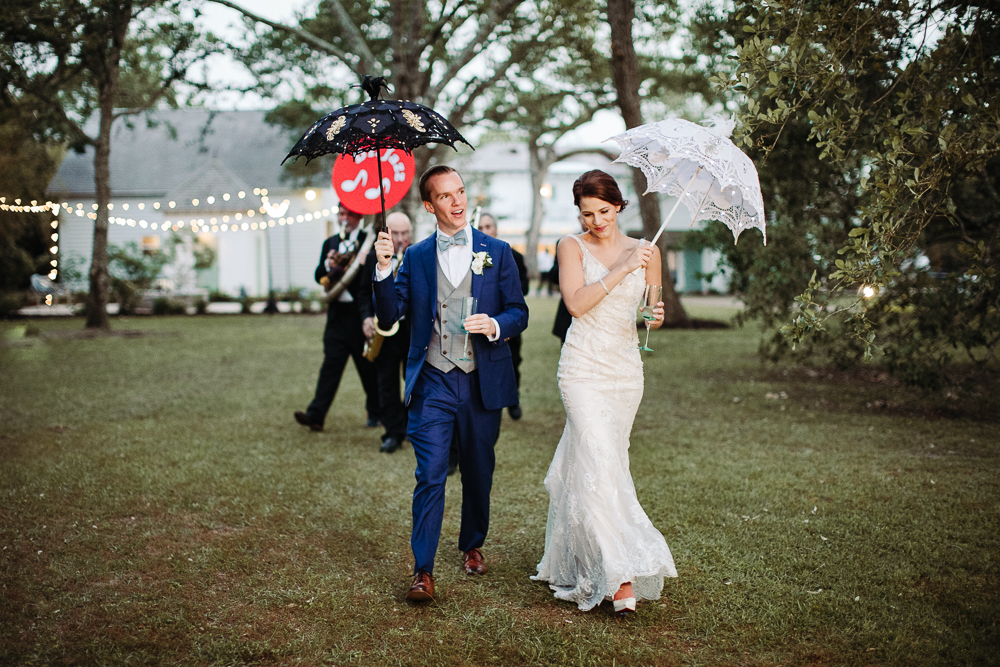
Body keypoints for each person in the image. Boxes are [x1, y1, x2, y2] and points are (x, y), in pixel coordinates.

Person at [372, 165, 529, 602]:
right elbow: (389, 318)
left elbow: (520, 311)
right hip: (433, 382)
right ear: (429, 206)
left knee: (479, 471)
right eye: (445, 196)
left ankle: (473, 543)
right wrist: (384, 269)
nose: (457, 202)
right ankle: (422, 569)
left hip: (482, 381)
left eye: (460, 192)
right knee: (430, 475)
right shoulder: (416, 257)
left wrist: (496, 324)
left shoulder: (498, 251)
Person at [531, 169, 677, 615]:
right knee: (597, 457)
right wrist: (618, 269)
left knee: (607, 463)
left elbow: (650, 311)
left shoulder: (646, 251)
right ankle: (619, 575)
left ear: (619, 207)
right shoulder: (570, 247)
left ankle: (577, 555)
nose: (596, 221)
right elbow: (575, 303)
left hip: (625, 370)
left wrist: (655, 316)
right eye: (587, 213)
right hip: (581, 368)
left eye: (604, 211)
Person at [294, 203, 381, 432]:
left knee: (368, 369)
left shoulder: (368, 240)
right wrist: (328, 264)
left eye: (348, 214)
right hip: (337, 315)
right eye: (341, 214)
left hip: (360, 313)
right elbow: (318, 276)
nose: (344, 218)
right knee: (330, 366)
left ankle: (377, 412)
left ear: (358, 216)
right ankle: (316, 415)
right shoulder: (330, 243)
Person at [360, 211, 413, 453]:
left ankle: (412, 428)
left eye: (405, 233)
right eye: (396, 233)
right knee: (387, 383)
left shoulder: (417, 256)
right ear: (387, 234)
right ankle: (393, 432)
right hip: (385, 330)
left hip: (412, 329)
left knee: (413, 382)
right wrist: (366, 318)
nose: (401, 238)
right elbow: (362, 293)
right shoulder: (373, 257)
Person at [476, 213, 529, 418]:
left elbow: (522, 287)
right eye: (480, 226)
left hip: (506, 319)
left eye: (488, 226)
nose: (485, 230)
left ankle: (513, 399)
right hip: (480, 322)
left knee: (513, 360)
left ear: (495, 229)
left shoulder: (514, 256)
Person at [551, 214, 588, 344]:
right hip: (569, 314)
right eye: (585, 215)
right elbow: (554, 276)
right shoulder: (566, 243)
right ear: (578, 218)